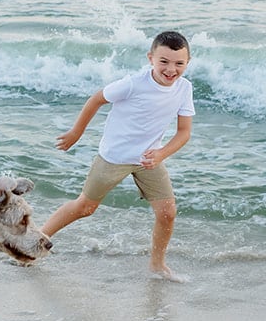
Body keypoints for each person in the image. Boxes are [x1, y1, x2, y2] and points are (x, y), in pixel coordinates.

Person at [42, 30, 195, 282]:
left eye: (179, 63)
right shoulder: (133, 83)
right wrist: (76, 132)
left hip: (149, 160)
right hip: (115, 156)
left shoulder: (184, 88)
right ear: (151, 58)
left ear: (187, 62)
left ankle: (157, 265)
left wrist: (160, 154)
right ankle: (36, 240)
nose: (171, 69)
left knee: (167, 213)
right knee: (85, 207)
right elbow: (96, 99)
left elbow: (184, 132)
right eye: (164, 62)